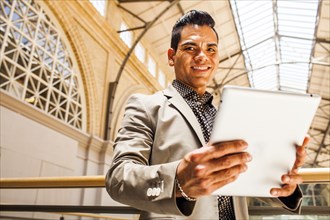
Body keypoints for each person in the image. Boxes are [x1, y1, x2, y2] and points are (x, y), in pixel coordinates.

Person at [105, 10, 308, 219]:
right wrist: (178, 181)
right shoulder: (146, 106)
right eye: (190, 48)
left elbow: (244, 175)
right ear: (171, 57)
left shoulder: (231, 117)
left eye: (211, 49)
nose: (202, 56)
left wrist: (282, 182)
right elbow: (119, 179)